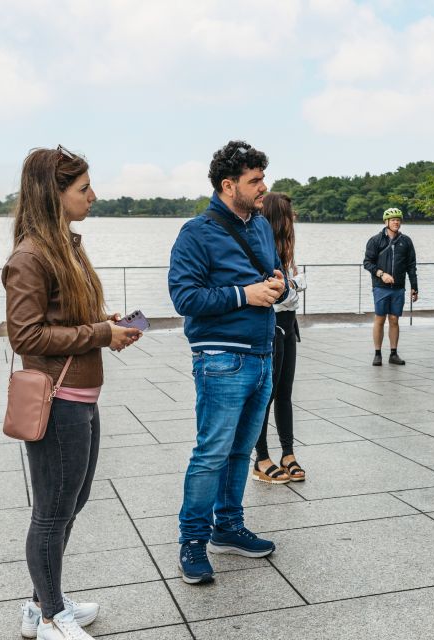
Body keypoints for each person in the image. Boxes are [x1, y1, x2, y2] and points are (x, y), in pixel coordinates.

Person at [3, 146, 142, 640]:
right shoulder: (30, 256)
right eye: (83, 189)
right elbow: (26, 336)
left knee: (72, 501)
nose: (93, 196)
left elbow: (63, 322)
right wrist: (100, 334)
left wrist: (105, 325)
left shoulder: (67, 246)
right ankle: (49, 618)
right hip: (58, 401)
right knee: (52, 511)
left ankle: (42, 603)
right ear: (53, 193)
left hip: (81, 395)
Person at [169, 140, 288, 585]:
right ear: (227, 185)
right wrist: (245, 294)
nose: (263, 187)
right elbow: (184, 298)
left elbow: (275, 274)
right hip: (220, 359)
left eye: (262, 178)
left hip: (262, 353)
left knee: (241, 452)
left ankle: (229, 527)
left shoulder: (259, 225)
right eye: (254, 181)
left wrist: (280, 284)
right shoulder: (195, 233)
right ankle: (193, 541)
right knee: (211, 453)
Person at [253, 192, 306, 485]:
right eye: (289, 212)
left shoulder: (287, 249)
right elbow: (281, 292)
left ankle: (288, 452)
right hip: (271, 324)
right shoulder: (262, 247)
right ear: (279, 216)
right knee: (267, 395)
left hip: (289, 322)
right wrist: (293, 286)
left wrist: (292, 286)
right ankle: (261, 457)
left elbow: (292, 288)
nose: (293, 217)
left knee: (285, 391)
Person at [363, 207, 418, 366]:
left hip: (399, 287)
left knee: (394, 319)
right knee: (380, 319)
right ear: (386, 222)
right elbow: (367, 263)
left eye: (398, 220)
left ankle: (393, 354)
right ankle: (377, 353)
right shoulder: (375, 240)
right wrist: (381, 274)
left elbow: (411, 266)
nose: (396, 222)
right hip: (380, 287)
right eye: (393, 220)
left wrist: (414, 286)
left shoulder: (406, 241)